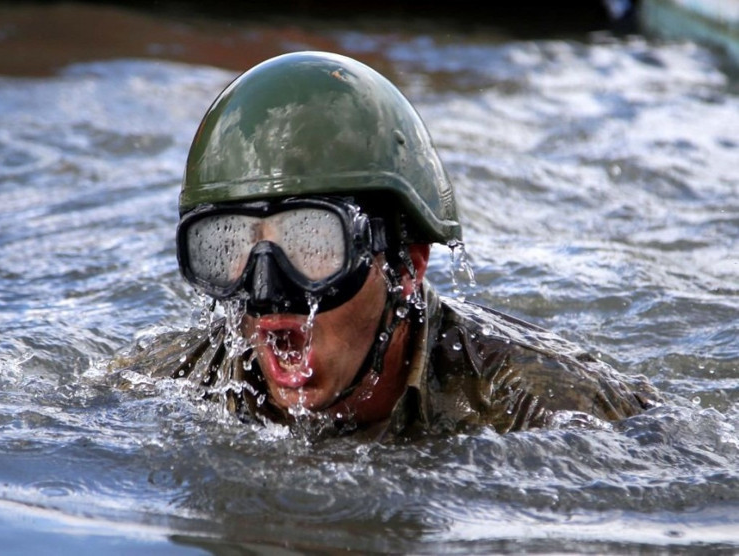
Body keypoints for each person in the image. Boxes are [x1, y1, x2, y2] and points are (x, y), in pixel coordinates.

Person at [111, 51, 661, 440]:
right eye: (227, 247)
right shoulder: (164, 384)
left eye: (312, 244)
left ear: (407, 267)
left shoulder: (547, 406)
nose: (267, 294)